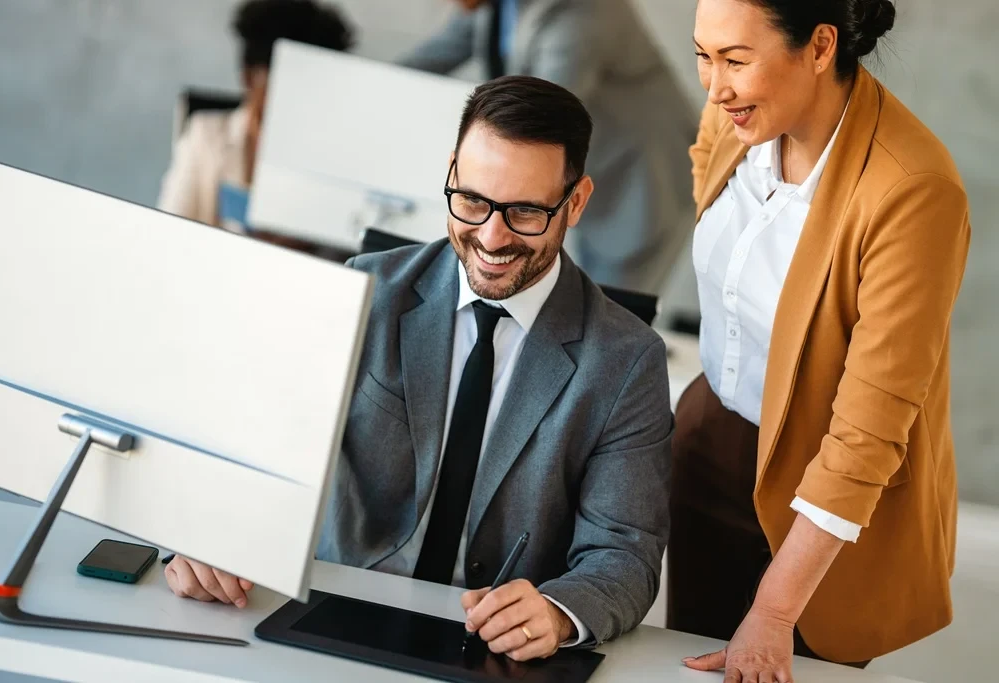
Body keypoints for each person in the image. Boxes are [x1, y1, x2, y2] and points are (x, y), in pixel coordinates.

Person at [164, 75, 674, 661]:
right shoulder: (366, 289)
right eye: (474, 201)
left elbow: (624, 554)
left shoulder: (626, 361)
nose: (491, 236)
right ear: (453, 171)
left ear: (576, 202)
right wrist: (200, 534)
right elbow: (243, 444)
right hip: (329, 618)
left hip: (491, 652)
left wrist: (560, 612)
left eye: (526, 212)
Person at [668, 0, 971, 680]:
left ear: (820, 45)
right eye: (703, 55)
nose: (714, 86)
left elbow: (867, 431)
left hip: (826, 495)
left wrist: (774, 611)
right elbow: (706, 174)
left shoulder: (913, 189)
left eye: (736, 60)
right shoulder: (736, 111)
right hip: (711, 439)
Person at [399, 0, 696, 296]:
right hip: (590, 175)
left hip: (640, 179)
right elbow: (439, 52)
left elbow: (537, 119)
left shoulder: (584, 13)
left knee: (613, 307)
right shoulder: (496, 5)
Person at [156, 0, 353, 232]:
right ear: (250, 77)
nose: (297, 100)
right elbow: (168, 231)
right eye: (285, 82)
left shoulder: (336, 156)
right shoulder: (205, 136)